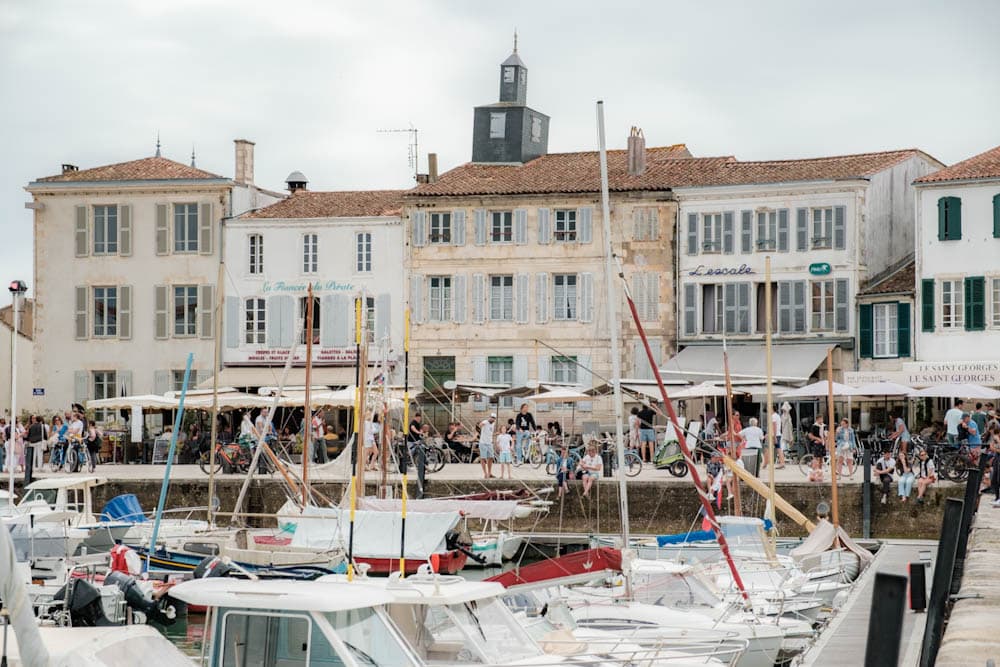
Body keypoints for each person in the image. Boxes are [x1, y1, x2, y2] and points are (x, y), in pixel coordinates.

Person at [25, 415, 44, 485]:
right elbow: (44, 434)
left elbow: (29, 435)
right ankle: (39, 468)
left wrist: (28, 440)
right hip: (39, 441)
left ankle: (32, 467)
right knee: (39, 455)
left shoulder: (31, 426)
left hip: (32, 442)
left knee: (33, 455)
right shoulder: (41, 426)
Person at [479, 414, 496, 479]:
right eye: (492, 417)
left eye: (494, 418)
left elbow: (490, 433)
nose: (493, 419)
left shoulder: (493, 424)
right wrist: (482, 425)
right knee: (483, 458)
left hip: (490, 443)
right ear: (489, 417)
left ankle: (489, 472)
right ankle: (485, 473)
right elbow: (480, 425)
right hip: (483, 443)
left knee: (491, 458)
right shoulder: (485, 421)